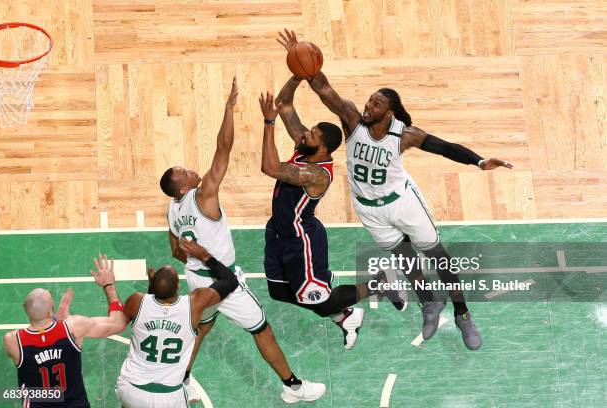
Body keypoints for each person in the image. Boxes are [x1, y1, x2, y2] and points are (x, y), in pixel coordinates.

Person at [278, 29, 514, 350]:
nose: (368, 105)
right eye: (369, 99)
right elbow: (322, 87)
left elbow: (445, 148)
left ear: (388, 111)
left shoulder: (404, 135)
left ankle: (462, 312)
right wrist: (303, 65)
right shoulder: (351, 119)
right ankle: (429, 303)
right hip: (369, 208)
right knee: (407, 261)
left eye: (376, 103)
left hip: (402, 202)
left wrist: (479, 161)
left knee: (437, 257)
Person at [159, 77, 325, 403]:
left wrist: (196, 259)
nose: (191, 170)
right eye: (184, 172)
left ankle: (182, 379)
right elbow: (224, 149)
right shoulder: (203, 194)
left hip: (195, 280)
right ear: (182, 186)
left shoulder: (173, 210)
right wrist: (228, 108)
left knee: (201, 328)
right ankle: (292, 387)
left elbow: (176, 250)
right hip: (223, 281)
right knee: (262, 329)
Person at [260, 85, 400, 351]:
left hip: (302, 242)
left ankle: (380, 283)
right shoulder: (306, 148)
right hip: (278, 232)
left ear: (323, 148)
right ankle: (345, 316)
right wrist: (299, 72)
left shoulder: (316, 174)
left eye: (312, 134)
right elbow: (285, 105)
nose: (305, 134)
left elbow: (270, 167)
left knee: (319, 300)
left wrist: (269, 122)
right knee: (278, 290)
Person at [114, 241, 239, 407]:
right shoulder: (194, 304)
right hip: (169, 397)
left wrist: (152, 288)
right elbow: (231, 281)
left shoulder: (137, 301)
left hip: (131, 390)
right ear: (178, 287)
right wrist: (204, 255)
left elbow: (147, 309)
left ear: (151, 285)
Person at [2, 254, 128, 407]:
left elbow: (42, 338)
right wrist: (109, 285)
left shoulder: (12, 341)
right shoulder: (74, 327)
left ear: (24, 309)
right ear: (50, 311)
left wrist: (55, 321)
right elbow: (118, 323)